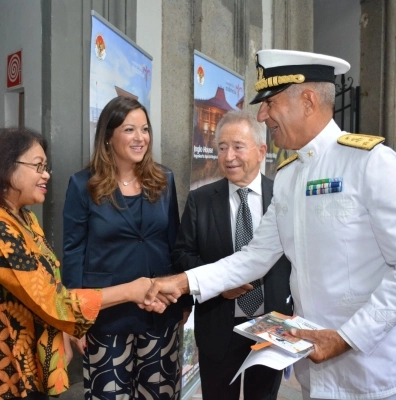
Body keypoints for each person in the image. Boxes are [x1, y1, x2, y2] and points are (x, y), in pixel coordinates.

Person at [144, 49, 396, 400]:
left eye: (270, 103)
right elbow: (256, 256)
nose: (262, 114)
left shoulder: (372, 165)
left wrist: (347, 338)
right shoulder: (289, 176)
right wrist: (185, 281)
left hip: (369, 373)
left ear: (308, 100)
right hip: (314, 371)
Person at [0, 127, 167, 400]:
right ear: (6, 166)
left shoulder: (25, 219)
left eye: (46, 166)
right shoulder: (3, 232)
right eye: (37, 166)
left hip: (33, 360)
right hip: (10, 369)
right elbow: (55, 301)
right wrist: (130, 290)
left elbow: (49, 279)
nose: (46, 175)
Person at [62, 96, 190, 400]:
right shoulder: (83, 185)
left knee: (159, 394)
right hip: (108, 315)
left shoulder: (164, 179)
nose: (140, 138)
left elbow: (174, 242)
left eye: (144, 130)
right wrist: (71, 320)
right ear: (109, 136)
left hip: (159, 311)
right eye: (130, 130)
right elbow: (73, 253)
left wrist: (184, 300)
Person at [172, 110, 292, 400]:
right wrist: (220, 284)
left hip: (271, 325)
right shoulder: (201, 200)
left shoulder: (284, 197)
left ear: (261, 150)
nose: (228, 157)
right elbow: (182, 255)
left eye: (238, 146)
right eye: (222, 147)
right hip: (218, 327)